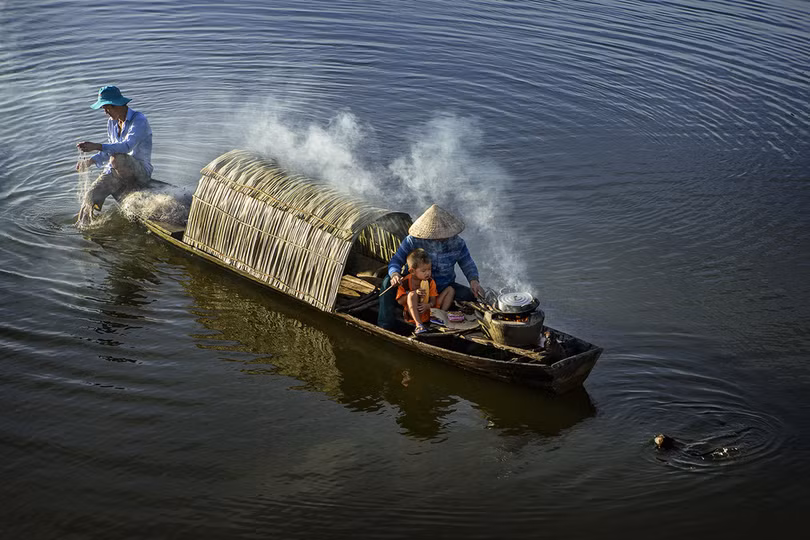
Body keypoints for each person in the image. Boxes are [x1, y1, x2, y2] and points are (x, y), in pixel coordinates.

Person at [379, 204, 483, 329]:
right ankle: (386, 324)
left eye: (444, 235)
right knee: (386, 283)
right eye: (436, 236)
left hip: (443, 286)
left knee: (469, 295)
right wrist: (395, 274)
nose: (440, 239)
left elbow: (467, 263)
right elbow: (396, 260)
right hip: (415, 287)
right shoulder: (413, 240)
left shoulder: (457, 243)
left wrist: (474, 280)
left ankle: (440, 317)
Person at [76, 85, 154, 224]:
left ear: (117, 105)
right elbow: (111, 149)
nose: (106, 112)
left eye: (107, 108)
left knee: (117, 158)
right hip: (117, 172)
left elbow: (126, 146)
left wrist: (97, 146)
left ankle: (132, 188)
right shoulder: (111, 123)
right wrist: (91, 161)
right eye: (103, 109)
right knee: (89, 196)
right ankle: (85, 229)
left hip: (140, 173)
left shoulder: (139, 120)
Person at [396, 249, 448, 335]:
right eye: (424, 271)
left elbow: (433, 300)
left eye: (429, 270)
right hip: (413, 314)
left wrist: (428, 305)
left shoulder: (430, 281)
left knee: (450, 290)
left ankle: (438, 317)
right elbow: (400, 301)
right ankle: (419, 325)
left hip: (428, 312)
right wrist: (414, 293)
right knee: (412, 294)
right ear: (412, 271)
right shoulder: (405, 282)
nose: (427, 273)